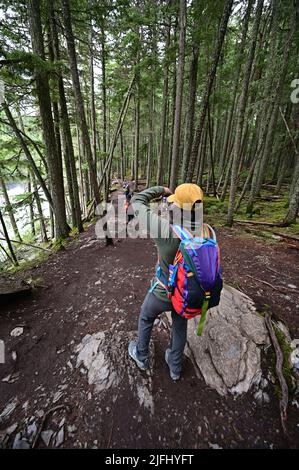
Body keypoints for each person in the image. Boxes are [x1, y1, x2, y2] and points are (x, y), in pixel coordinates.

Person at [128, 183, 204, 381]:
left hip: (163, 293)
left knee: (146, 316)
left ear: (177, 208)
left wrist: (160, 190)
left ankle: (142, 356)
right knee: (180, 325)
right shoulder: (207, 232)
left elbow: (137, 201)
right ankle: (175, 367)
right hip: (187, 295)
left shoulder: (166, 231)